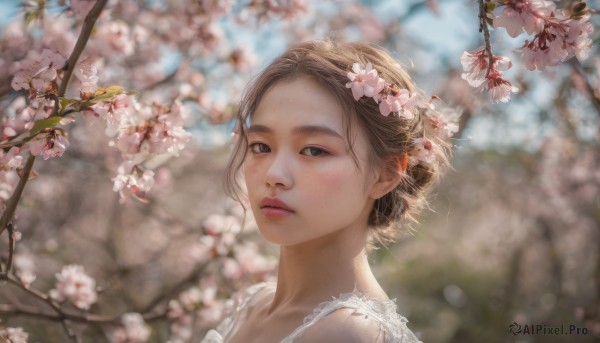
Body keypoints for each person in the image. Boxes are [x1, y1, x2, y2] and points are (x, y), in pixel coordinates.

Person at [201, 39, 458, 343]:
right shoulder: (250, 305)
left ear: (386, 174)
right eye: (261, 146)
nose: (274, 175)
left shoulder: (347, 332)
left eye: (313, 150)